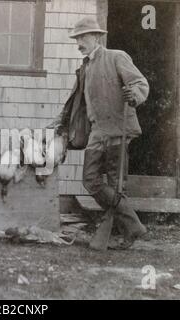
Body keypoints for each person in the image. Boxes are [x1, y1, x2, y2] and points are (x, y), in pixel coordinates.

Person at [48, 17, 149, 250]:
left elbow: (139, 83)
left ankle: (128, 232)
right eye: (77, 38)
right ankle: (134, 226)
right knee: (90, 181)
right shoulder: (84, 68)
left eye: (83, 37)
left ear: (97, 37)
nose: (79, 43)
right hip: (97, 132)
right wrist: (61, 123)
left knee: (115, 184)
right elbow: (76, 104)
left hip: (118, 129)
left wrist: (134, 95)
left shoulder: (116, 57)